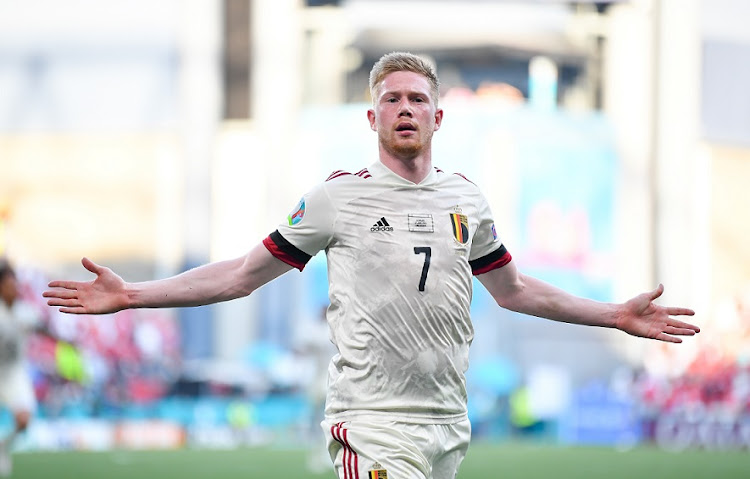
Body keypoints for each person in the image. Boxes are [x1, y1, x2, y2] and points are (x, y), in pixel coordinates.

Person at [43, 52, 700, 479]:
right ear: (372, 116)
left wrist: (614, 313)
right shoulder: (336, 198)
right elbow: (240, 274)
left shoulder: (466, 199)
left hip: (445, 422)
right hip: (371, 420)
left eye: (417, 99)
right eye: (392, 99)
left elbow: (516, 289)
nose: (405, 108)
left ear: (439, 117)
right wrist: (133, 295)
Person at [0, 260, 42, 476]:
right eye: (9, 284)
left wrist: (67, 341)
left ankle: (2, 447)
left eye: (15, 284)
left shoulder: (25, 312)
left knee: (24, 420)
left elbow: (42, 328)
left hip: (14, 372)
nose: (14, 289)